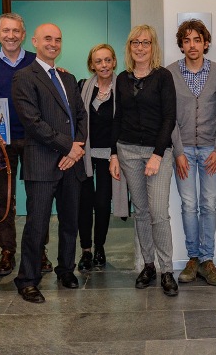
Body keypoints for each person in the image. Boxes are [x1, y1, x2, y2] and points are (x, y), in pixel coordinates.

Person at [11, 23, 87, 303]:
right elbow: (33, 122)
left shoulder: (68, 78)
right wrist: (69, 146)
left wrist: (76, 149)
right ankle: (27, 280)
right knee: (37, 225)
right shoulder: (24, 77)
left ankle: (66, 269)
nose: (53, 44)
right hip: (42, 163)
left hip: (72, 163)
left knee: (70, 222)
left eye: (58, 39)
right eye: (47, 39)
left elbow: (80, 116)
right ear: (34, 41)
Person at [0, 13, 53, 277]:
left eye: (16, 31)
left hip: (35, 141)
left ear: (23, 34)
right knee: (4, 199)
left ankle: (38, 251)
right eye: (6, 31)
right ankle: (7, 251)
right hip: (2, 144)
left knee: (38, 199)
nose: (11, 36)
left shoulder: (38, 61)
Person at [109, 25, 179, 296]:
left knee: (158, 212)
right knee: (141, 212)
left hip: (158, 152)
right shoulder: (122, 79)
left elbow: (169, 118)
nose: (140, 47)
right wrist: (114, 154)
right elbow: (117, 117)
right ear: (129, 47)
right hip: (127, 151)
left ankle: (167, 270)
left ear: (153, 47)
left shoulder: (163, 76)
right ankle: (149, 265)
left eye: (145, 43)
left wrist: (157, 155)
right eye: (135, 42)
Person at [167, 20, 216, 287]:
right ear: (181, 45)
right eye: (187, 40)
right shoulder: (170, 73)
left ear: (206, 43)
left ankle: (207, 260)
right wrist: (178, 152)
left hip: (211, 150)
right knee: (189, 205)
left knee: (209, 205)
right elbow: (169, 116)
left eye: (197, 40)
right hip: (184, 152)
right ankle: (192, 258)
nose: (192, 45)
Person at [77, 43, 127, 272]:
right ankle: (86, 250)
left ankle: (99, 247)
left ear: (114, 61)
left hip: (110, 156)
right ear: (92, 65)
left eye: (108, 60)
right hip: (85, 155)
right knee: (84, 203)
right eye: (99, 61)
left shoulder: (122, 88)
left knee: (103, 203)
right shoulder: (82, 87)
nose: (104, 65)